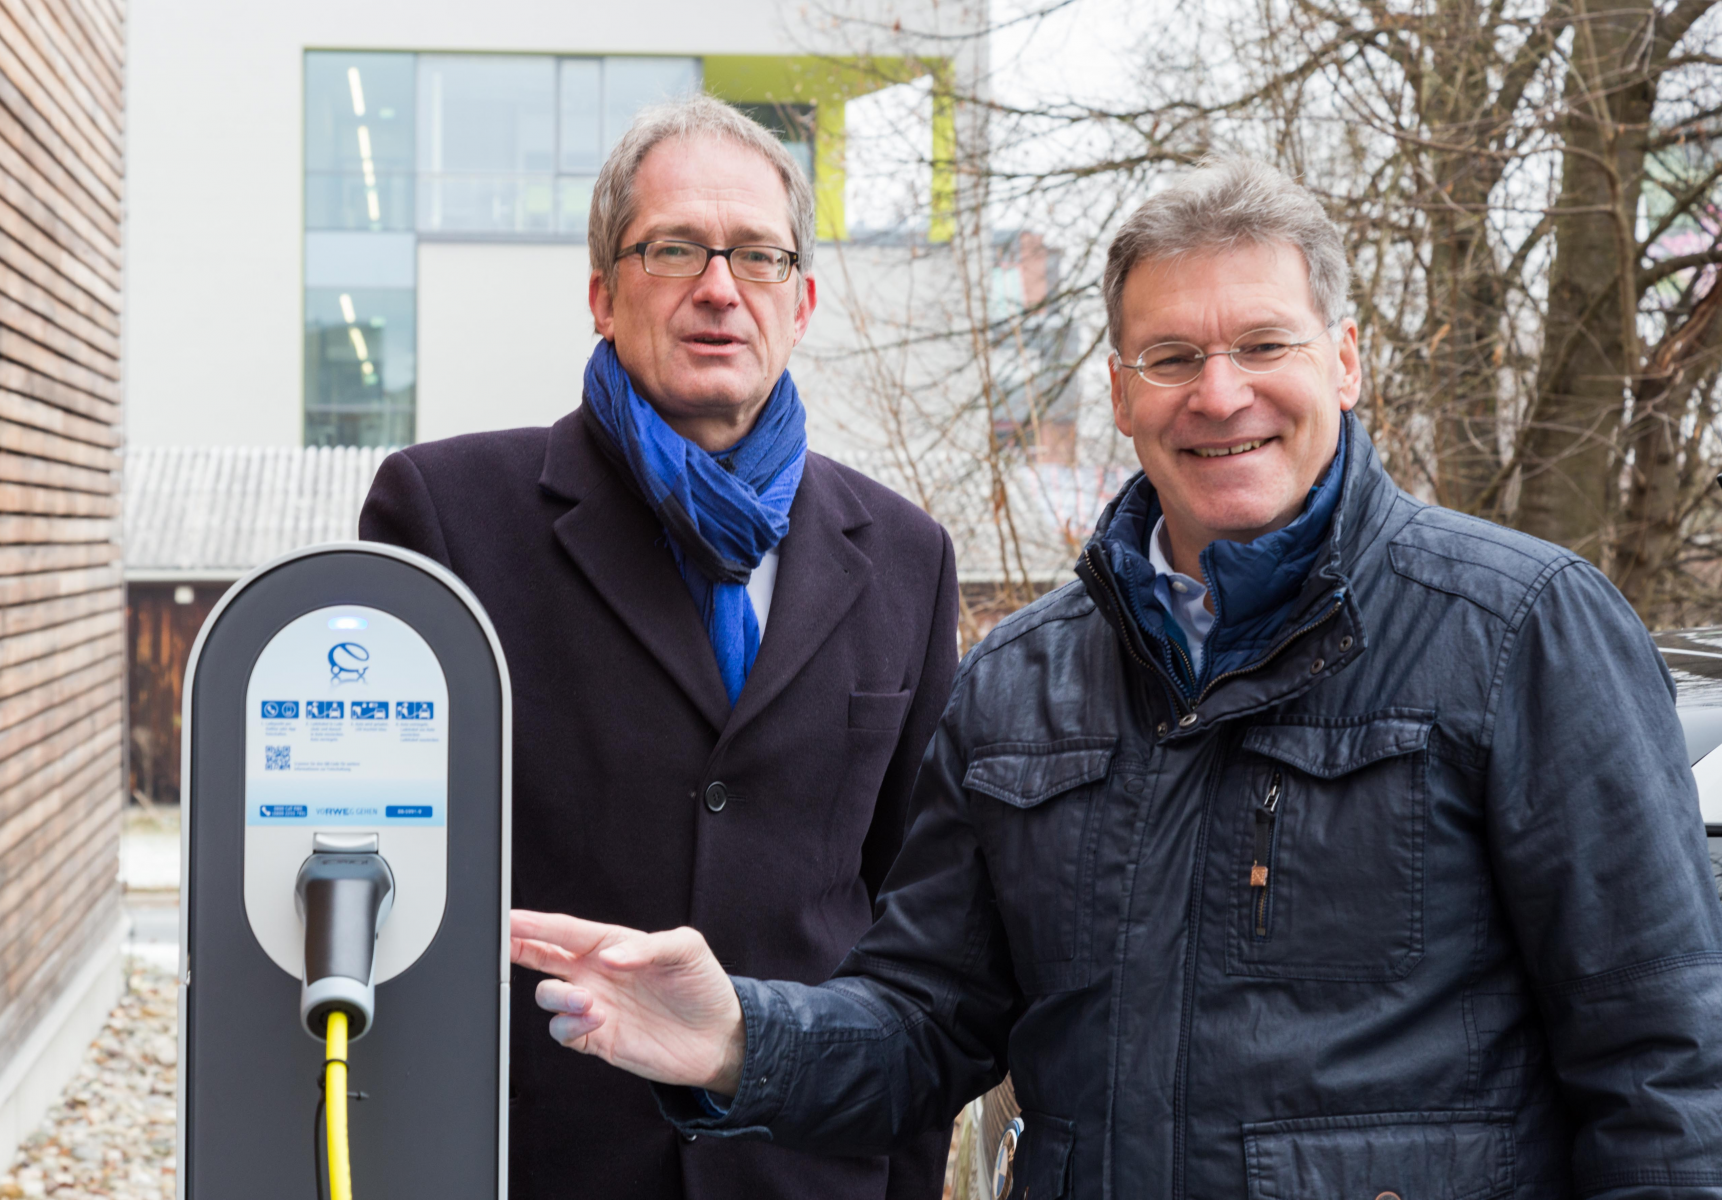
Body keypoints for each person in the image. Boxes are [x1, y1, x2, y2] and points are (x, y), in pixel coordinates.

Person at [508, 157, 1722, 1198]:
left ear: (1345, 361)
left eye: (1263, 344)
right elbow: (926, 1027)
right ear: (1121, 391)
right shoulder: (1022, 683)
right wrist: (737, 1038)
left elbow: (1665, 1063)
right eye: (1172, 354)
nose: (1220, 392)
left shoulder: (1522, 632)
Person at [358, 94, 958, 1200]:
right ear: (602, 292)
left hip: (807, 1172)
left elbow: (916, 934)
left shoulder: (907, 557)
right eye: (674, 248)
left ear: (804, 300)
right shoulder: (448, 517)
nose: (719, 287)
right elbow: (391, 889)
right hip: (542, 1167)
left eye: (758, 257)